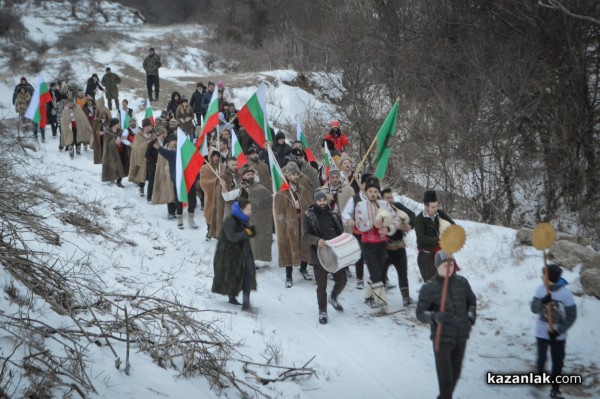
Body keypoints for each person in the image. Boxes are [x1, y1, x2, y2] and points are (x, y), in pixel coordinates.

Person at [416, 251, 476, 399]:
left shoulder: (462, 282)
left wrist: (470, 318)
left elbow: (472, 302)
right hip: (442, 338)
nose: (449, 268)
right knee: (445, 377)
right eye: (445, 265)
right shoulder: (429, 288)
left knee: (456, 372)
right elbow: (420, 313)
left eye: (451, 264)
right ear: (437, 267)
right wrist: (435, 316)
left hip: (461, 335)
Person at [531, 262, 577, 399]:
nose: (542, 277)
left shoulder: (565, 294)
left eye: (544, 275)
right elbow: (534, 309)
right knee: (542, 358)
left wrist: (559, 331)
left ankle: (555, 389)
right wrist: (542, 302)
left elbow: (571, 315)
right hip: (541, 333)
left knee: (558, 361)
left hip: (558, 336)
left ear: (550, 277)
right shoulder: (540, 290)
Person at [354, 176, 400, 309]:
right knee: (375, 273)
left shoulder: (385, 205)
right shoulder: (360, 206)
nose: (373, 194)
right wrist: (372, 224)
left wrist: (388, 228)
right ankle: (380, 301)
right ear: (366, 192)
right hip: (367, 243)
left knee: (379, 271)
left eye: (375, 191)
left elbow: (396, 219)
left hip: (381, 243)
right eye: (370, 191)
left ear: (378, 192)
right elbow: (359, 224)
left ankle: (368, 297)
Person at [303, 190, 347, 324]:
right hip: (319, 256)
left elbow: (341, 232)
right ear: (315, 201)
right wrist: (317, 241)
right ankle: (322, 311)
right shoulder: (309, 215)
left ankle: (333, 297)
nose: (322, 203)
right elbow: (305, 236)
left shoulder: (333, 215)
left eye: (324, 200)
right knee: (321, 286)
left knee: (342, 280)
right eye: (319, 200)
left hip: (335, 254)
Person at [212, 198, 257, 311]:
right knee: (232, 275)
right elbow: (232, 237)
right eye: (248, 209)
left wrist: (250, 232)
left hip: (244, 250)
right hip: (229, 253)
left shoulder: (244, 219)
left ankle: (246, 301)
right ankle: (232, 297)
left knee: (249, 272)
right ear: (241, 210)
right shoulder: (230, 220)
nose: (250, 211)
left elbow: (243, 235)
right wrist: (246, 232)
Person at [274, 162, 313, 288]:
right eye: (293, 174)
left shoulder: (304, 191)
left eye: (297, 174)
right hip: (288, 228)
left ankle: (303, 269)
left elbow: (310, 206)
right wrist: (284, 229)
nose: (296, 176)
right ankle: (289, 276)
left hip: (303, 225)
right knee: (288, 249)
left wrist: (300, 207)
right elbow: (279, 215)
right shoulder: (281, 194)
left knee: (305, 246)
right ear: (288, 176)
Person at [381, 187, 416, 305]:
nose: (390, 200)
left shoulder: (397, 206)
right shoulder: (378, 210)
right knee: (381, 273)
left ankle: (406, 298)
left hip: (399, 246)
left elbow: (412, 214)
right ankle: (378, 298)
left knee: (402, 272)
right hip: (385, 248)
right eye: (387, 198)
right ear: (382, 199)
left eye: (391, 197)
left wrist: (409, 226)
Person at [156, 136, 198, 229]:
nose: (175, 142)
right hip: (178, 181)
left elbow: (195, 165)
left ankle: (191, 220)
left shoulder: (188, 154)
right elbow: (164, 152)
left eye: (176, 141)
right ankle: (180, 219)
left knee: (193, 201)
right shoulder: (173, 154)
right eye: (173, 141)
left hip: (189, 180)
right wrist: (158, 147)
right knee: (178, 201)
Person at [414, 190, 455, 282]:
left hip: (442, 250)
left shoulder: (439, 214)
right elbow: (421, 238)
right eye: (432, 207)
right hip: (426, 254)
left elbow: (452, 224)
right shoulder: (419, 220)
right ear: (426, 206)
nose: (435, 209)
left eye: (436, 206)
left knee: (449, 277)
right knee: (432, 282)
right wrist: (439, 239)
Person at [341, 173, 372, 287]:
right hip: (359, 232)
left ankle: (382, 278)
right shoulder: (355, 198)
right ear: (362, 184)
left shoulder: (376, 198)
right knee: (360, 254)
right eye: (366, 184)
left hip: (373, 232)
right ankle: (360, 277)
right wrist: (349, 220)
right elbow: (345, 213)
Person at [239, 164, 273, 264]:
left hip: (259, 218)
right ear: (244, 176)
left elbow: (269, 199)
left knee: (256, 240)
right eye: (248, 174)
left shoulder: (260, 187)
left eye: (251, 174)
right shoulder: (241, 188)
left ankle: (255, 259)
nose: (250, 176)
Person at [208, 156, 240, 238]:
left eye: (236, 164)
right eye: (232, 165)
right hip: (226, 203)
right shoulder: (223, 176)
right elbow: (219, 195)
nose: (235, 166)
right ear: (227, 164)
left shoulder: (239, 175)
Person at [200, 148, 223, 240]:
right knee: (209, 212)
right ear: (210, 157)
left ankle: (217, 232)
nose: (216, 158)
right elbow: (203, 181)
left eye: (217, 156)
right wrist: (217, 180)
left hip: (221, 195)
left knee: (220, 213)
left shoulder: (222, 167)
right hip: (210, 195)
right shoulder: (205, 168)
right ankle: (209, 231)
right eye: (214, 156)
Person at [129, 118, 155, 197]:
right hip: (141, 158)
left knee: (151, 175)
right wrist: (146, 144)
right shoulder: (138, 135)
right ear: (145, 126)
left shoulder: (153, 135)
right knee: (142, 174)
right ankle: (141, 187)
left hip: (151, 159)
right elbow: (136, 147)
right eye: (150, 126)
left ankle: (151, 193)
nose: (152, 127)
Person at [100, 118, 127, 187]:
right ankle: (111, 177)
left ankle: (119, 181)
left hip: (121, 151)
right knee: (113, 165)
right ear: (114, 124)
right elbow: (107, 143)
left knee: (120, 166)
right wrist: (114, 142)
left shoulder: (121, 131)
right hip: (112, 153)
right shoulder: (107, 133)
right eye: (118, 123)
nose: (119, 124)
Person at [145, 126, 167, 203]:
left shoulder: (165, 142)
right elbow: (147, 155)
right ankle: (149, 197)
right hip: (153, 165)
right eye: (165, 133)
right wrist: (155, 162)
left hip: (163, 165)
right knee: (152, 181)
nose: (166, 134)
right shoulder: (152, 143)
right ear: (161, 134)